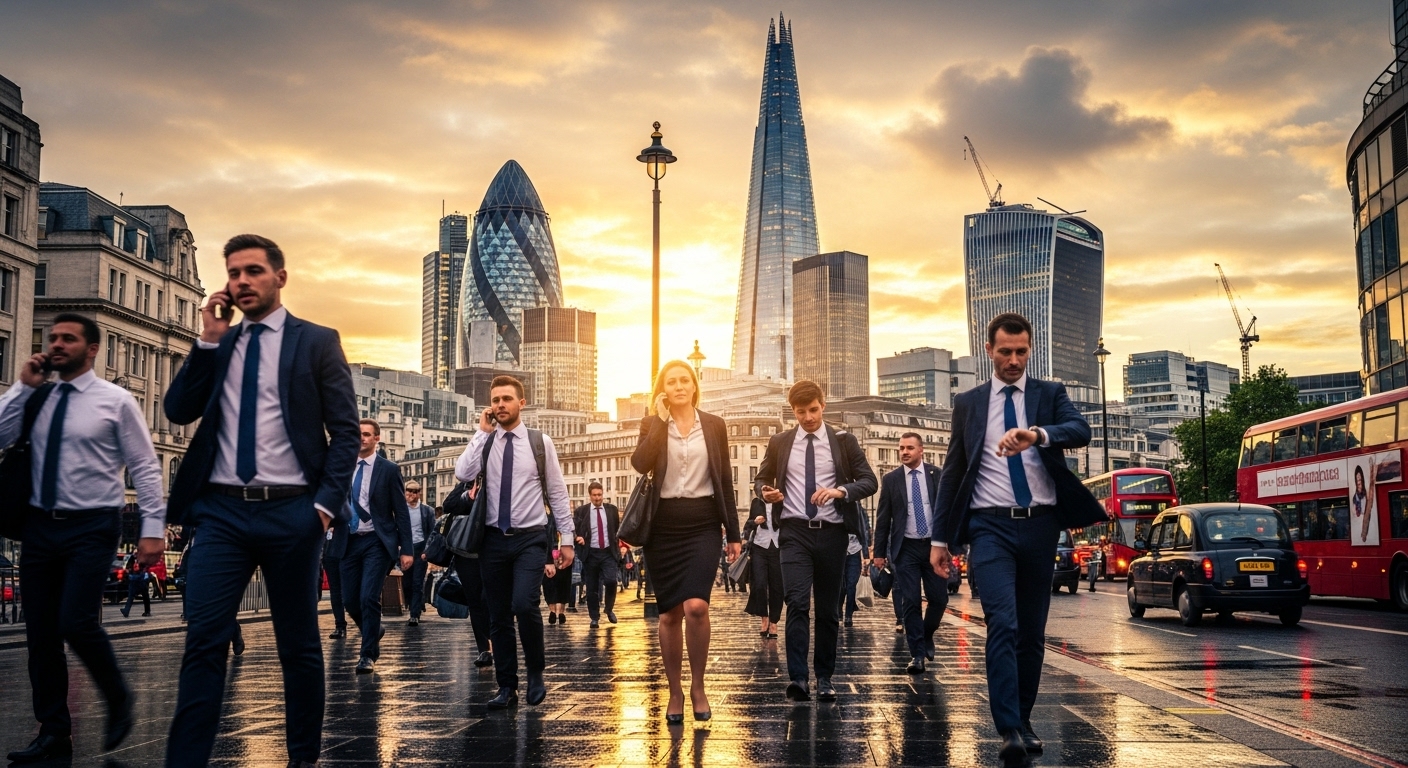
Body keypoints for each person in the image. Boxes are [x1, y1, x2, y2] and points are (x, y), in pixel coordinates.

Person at [164, 234, 360, 768]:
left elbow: (343, 432)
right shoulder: (219, 343)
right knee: (204, 640)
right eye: (233, 273)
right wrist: (206, 341)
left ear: (280, 277)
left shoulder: (317, 341)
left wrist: (321, 508)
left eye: (253, 270)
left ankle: (302, 758)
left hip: (292, 512)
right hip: (221, 513)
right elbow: (178, 410)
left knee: (297, 646)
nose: (242, 281)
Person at [928, 313, 1105, 768]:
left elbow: (1080, 430)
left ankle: (1023, 720)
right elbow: (952, 472)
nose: (1013, 360)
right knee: (1001, 622)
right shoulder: (969, 403)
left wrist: (1038, 435)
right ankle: (1007, 726)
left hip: (1042, 525)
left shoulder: (1049, 394)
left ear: (1030, 351)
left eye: (1021, 352)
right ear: (989, 350)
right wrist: (940, 538)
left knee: (1031, 631)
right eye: (1004, 351)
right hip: (990, 527)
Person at [0, 314, 166, 763]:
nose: (56, 344)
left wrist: (152, 528)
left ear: (91, 348)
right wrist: (22, 387)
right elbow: (0, 434)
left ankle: (118, 696)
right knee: (40, 635)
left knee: (75, 621)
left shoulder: (116, 400)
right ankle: (54, 731)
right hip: (39, 524)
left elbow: (146, 466)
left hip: (92, 524)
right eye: (52, 337)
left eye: (67, 339)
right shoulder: (39, 396)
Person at [454, 375, 574, 709]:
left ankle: (536, 671)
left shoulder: (540, 442)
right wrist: (481, 433)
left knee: (523, 604)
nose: (500, 405)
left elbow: (558, 493)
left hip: (530, 538)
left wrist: (565, 540)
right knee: (499, 616)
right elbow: (462, 474)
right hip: (492, 540)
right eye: (495, 400)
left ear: (522, 403)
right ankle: (507, 687)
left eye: (507, 399)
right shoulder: (487, 441)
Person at [631, 360, 740, 723]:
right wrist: (659, 423)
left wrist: (734, 534)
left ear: (694, 386)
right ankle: (675, 690)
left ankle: (698, 685)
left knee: (696, 606)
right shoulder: (653, 424)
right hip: (662, 528)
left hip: (703, 524)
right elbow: (640, 463)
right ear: (662, 389)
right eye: (671, 382)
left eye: (684, 380)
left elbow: (724, 478)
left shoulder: (714, 425)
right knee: (668, 613)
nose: (679, 386)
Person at [754, 380, 877, 703]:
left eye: (813, 410)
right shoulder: (780, 442)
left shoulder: (843, 441)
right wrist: (766, 492)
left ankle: (824, 677)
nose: (808, 417)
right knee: (795, 601)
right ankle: (798, 678)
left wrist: (840, 491)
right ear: (792, 411)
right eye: (800, 412)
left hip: (832, 532)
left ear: (823, 405)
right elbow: (762, 479)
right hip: (794, 531)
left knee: (827, 609)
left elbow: (869, 481)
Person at [340, 419, 413, 673]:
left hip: (377, 541)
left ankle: (368, 654)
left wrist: (407, 550)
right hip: (348, 540)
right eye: (358, 434)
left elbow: (401, 512)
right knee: (350, 601)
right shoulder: (342, 466)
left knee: (368, 596)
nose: (362, 438)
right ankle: (375, 629)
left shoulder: (389, 469)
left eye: (367, 435)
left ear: (377, 439)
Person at [873, 432, 947, 673]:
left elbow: (946, 510)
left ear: (921, 450)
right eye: (901, 448)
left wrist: (949, 542)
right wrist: (880, 552)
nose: (904, 452)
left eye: (909, 448)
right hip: (905, 549)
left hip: (933, 546)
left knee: (939, 599)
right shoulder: (892, 479)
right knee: (911, 601)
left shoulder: (937, 474)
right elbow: (883, 517)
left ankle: (926, 635)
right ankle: (917, 655)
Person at [444, 479, 495, 669]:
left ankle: (494, 638)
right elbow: (448, 505)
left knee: (488, 598)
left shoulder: (498, 481)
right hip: (466, 553)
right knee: (474, 601)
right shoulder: (467, 483)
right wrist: (467, 497)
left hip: (491, 550)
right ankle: (484, 649)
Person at [573, 482, 620, 628]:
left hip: (608, 552)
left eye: (599, 495)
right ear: (590, 495)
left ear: (603, 494)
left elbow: (617, 529)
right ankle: (594, 617)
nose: (597, 498)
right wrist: (578, 537)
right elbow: (573, 529)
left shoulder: (612, 510)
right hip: (590, 553)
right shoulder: (581, 511)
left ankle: (609, 608)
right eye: (594, 495)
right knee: (592, 588)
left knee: (612, 581)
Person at [743, 497, 783, 639]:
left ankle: (774, 622)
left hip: (778, 548)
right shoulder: (756, 502)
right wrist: (754, 522)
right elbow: (748, 524)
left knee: (777, 587)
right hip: (759, 547)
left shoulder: (782, 501)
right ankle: (764, 617)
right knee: (759, 584)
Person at [403, 481, 436, 625]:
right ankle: (413, 604)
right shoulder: (401, 510)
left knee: (417, 582)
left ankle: (414, 614)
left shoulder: (427, 510)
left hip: (420, 549)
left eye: (414, 491)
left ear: (419, 493)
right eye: (408, 491)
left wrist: (427, 550)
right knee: (406, 583)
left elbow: (432, 532)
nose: (411, 494)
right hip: (405, 549)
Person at [838, 511, 872, 628]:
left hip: (854, 551)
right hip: (838, 550)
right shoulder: (837, 507)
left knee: (852, 584)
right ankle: (838, 611)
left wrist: (866, 555)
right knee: (841, 585)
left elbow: (865, 531)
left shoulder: (860, 511)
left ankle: (848, 615)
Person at [543, 532, 574, 625]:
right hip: (563, 548)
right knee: (562, 582)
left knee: (550, 581)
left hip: (550, 549)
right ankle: (560, 611)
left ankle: (554, 611)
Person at [121, 552, 152, 618]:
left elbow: (146, 567)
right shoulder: (134, 557)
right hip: (136, 578)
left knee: (143, 595)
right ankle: (126, 611)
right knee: (134, 595)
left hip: (139, 578)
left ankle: (147, 611)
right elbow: (129, 566)